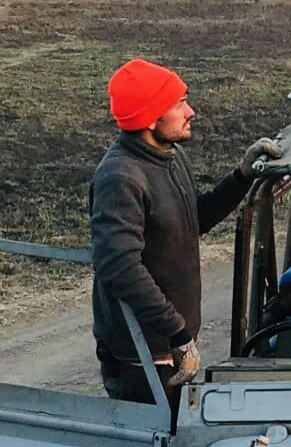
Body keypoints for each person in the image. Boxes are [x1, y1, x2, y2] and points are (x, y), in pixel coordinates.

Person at [89, 58, 276, 403]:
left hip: (168, 347)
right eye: (179, 104)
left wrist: (241, 177)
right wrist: (176, 331)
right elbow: (120, 267)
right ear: (150, 118)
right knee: (156, 437)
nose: (191, 112)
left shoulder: (169, 156)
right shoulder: (120, 178)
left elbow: (192, 220)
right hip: (144, 361)